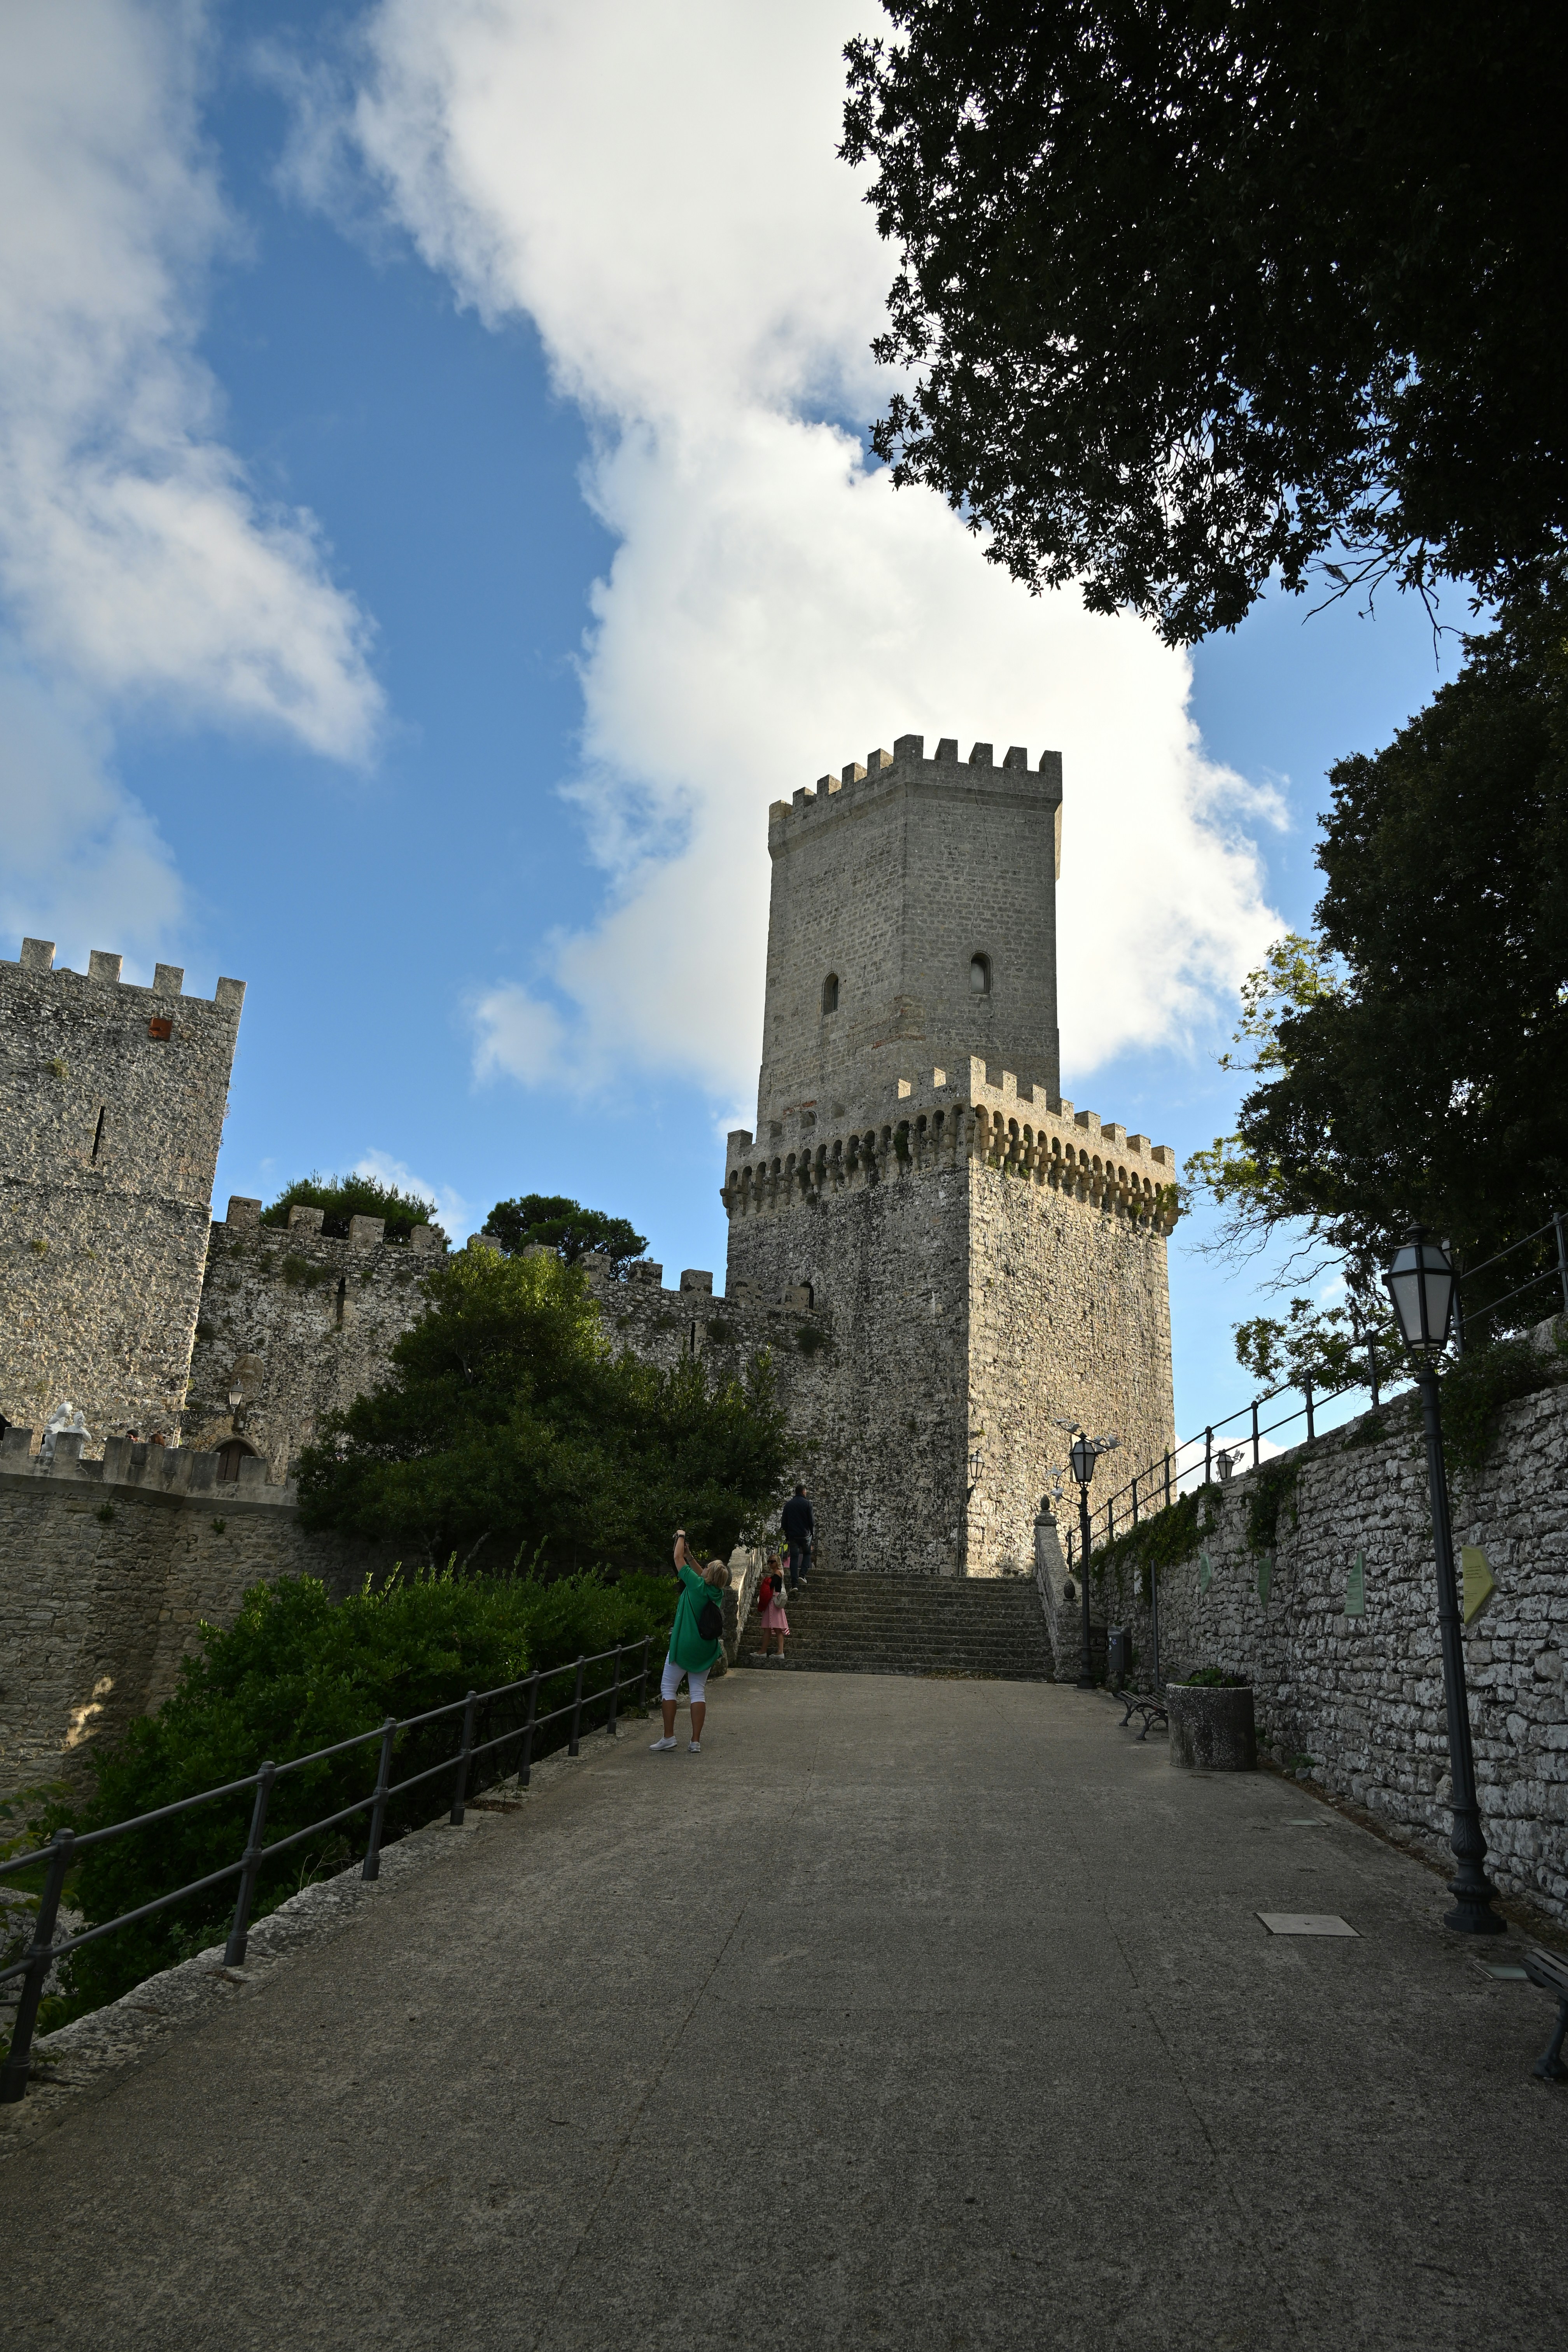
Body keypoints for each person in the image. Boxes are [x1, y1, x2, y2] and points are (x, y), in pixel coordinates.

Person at [650, 1530, 731, 1755]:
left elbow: (677, 1559)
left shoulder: (696, 1585)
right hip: (705, 1649)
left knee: (668, 1689)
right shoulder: (717, 1593)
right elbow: (700, 1572)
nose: (703, 1567)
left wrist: (681, 1535)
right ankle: (695, 1742)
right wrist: (691, 1556)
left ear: (708, 1574)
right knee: (698, 1691)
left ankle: (669, 1737)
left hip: (684, 1646)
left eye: (707, 1566)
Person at [756, 1555, 790, 1661]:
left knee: (775, 1628)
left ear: (777, 1562)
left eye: (772, 1562)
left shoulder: (778, 1573)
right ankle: (772, 1651)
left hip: (774, 1602)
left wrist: (765, 1581)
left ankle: (774, 1651)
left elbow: (772, 1585)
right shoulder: (777, 1572)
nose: (770, 1564)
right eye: (769, 1562)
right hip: (774, 1602)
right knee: (773, 1628)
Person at [781, 1484, 814, 1589]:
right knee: (807, 1554)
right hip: (805, 1536)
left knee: (794, 1558)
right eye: (806, 1491)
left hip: (793, 1536)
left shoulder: (789, 1505)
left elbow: (784, 1523)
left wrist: (788, 1535)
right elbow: (812, 1522)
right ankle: (802, 1575)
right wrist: (812, 1534)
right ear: (803, 1492)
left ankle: (794, 1584)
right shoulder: (808, 1504)